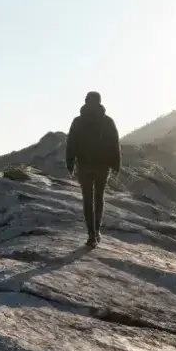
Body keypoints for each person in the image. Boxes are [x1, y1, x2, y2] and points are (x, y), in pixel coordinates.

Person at [65, 91, 121, 247]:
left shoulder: (78, 121)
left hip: (84, 165)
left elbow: (71, 143)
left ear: (85, 101)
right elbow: (114, 143)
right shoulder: (107, 121)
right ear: (99, 102)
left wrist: (70, 163)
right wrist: (116, 164)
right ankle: (96, 231)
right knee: (99, 198)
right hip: (102, 166)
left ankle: (91, 235)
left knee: (87, 199)